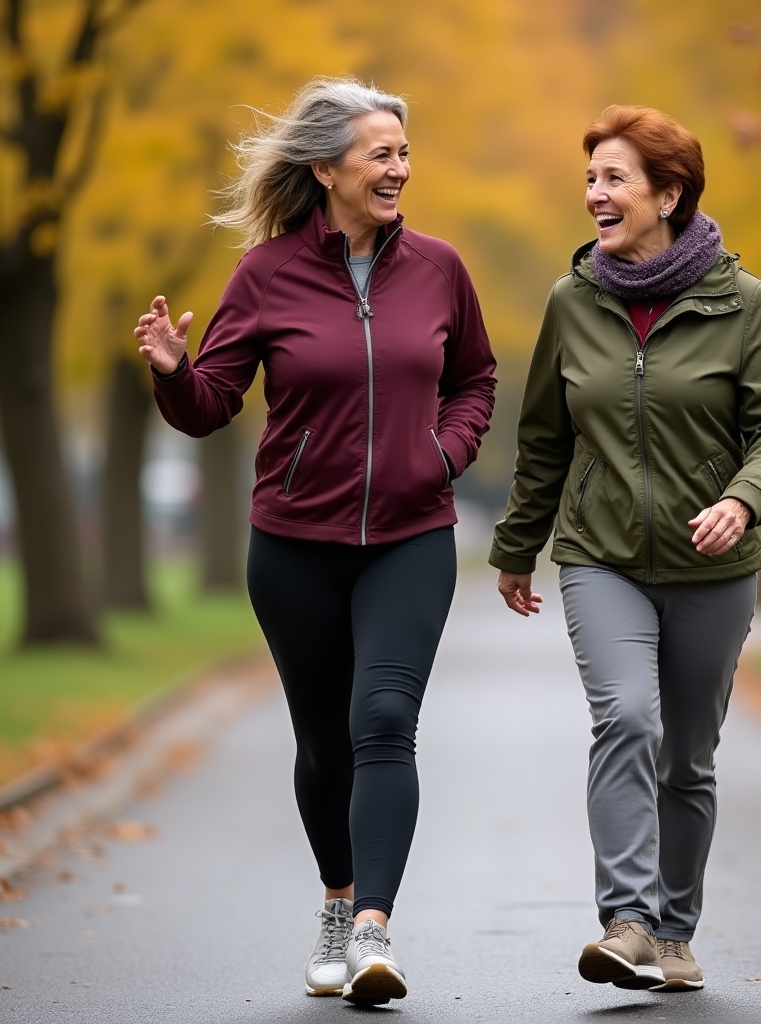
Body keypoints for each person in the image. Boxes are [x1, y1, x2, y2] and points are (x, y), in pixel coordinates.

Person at [136, 77, 496, 1005]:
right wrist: (176, 373)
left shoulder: (441, 269)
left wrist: (444, 453)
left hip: (411, 537)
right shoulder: (265, 277)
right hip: (294, 543)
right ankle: (337, 901)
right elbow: (210, 405)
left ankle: (373, 928)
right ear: (326, 167)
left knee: (384, 720)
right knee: (323, 740)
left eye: (404, 154)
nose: (399, 169)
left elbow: (476, 379)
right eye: (382, 153)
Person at [490, 105, 761, 992]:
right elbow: (545, 436)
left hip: (715, 565)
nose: (595, 193)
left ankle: (674, 934)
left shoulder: (740, 303)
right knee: (626, 717)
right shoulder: (572, 299)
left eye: (615, 178)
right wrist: (519, 546)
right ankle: (625, 922)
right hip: (603, 556)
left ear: (668, 194)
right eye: (591, 177)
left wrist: (742, 503)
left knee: (688, 758)